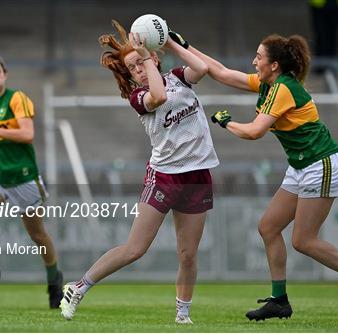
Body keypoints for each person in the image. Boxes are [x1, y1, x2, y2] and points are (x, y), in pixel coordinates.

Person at [169, 31, 338, 320]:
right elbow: (220, 72)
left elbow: (255, 131)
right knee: (268, 227)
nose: (253, 62)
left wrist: (226, 122)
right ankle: (279, 300)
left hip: (322, 164)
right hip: (302, 166)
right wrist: (181, 45)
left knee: (303, 240)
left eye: (258, 57)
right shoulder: (268, 84)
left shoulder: (283, 88)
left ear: (274, 66)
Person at [60, 20, 219, 324]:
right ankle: (78, 287)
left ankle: (182, 314)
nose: (139, 69)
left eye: (142, 61)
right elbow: (158, 97)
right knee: (135, 249)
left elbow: (202, 68)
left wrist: (169, 43)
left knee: (188, 254)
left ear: (156, 58)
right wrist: (144, 55)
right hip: (164, 177)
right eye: (133, 68)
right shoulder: (139, 97)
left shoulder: (178, 78)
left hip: (197, 176)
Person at [0, 54, 64, 308]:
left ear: (5, 74)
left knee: (38, 235)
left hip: (23, 177)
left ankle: (54, 277)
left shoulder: (16, 98)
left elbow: (27, 134)